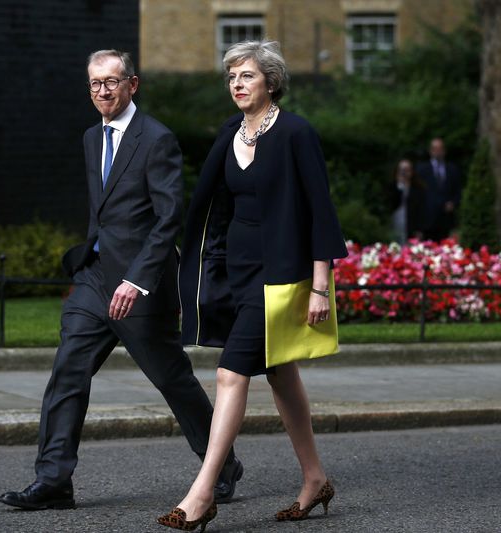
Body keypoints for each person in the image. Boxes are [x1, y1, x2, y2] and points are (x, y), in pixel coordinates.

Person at [0, 49, 241, 511]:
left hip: (140, 286)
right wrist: (90, 260)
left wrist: (137, 280)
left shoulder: (157, 139)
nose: (103, 91)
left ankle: (223, 464)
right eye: (95, 84)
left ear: (133, 84)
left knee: (172, 380)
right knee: (68, 371)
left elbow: (167, 219)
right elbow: (106, 212)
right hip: (94, 280)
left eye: (111, 82)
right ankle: (53, 480)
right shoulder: (92, 137)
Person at [156, 40, 348, 532]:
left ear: (271, 81)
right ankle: (315, 479)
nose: (237, 85)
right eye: (232, 78)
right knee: (282, 374)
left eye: (246, 76)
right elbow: (214, 206)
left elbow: (320, 212)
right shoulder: (229, 134)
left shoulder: (296, 134)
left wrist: (320, 286)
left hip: (280, 274)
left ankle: (202, 494)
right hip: (235, 272)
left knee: (228, 374)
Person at [416, 137, 462, 241]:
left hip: (446, 219)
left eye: (440, 149)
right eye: (435, 149)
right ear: (430, 151)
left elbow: (458, 191)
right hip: (427, 220)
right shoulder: (422, 170)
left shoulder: (452, 169)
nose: (437, 152)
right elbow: (418, 194)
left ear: (444, 151)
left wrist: (453, 203)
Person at [390, 158, 425, 244]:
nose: (404, 173)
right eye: (402, 170)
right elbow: (392, 204)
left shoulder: (418, 190)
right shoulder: (392, 188)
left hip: (412, 227)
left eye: (407, 170)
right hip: (395, 225)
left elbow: (421, 211)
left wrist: (419, 229)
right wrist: (400, 187)